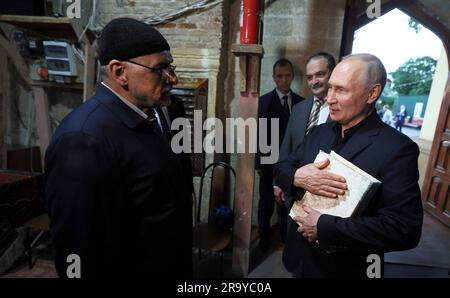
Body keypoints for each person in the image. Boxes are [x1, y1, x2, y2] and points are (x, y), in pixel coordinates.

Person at [45, 18, 193, 278]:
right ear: (119, 72)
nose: (173, 78)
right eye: (160, 69)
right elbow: (75, 248)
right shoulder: (83, 139)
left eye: (171, 67)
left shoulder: (151, 115)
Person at [274, 53, 423, 278]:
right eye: (331, 88)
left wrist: (324, 227)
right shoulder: (318, 132)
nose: (330, 98)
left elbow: (403, 229)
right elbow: (281, 167)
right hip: (299, 259)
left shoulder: (397, 149)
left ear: (372, 93)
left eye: (341, 90)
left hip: (342, 269)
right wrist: (297, 176)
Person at [275, 52, 336, 228]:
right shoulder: (299, 108)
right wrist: (278, 183)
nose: (314, 81)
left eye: (320, 74)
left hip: (323, 194)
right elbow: (286, 146)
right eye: (309, 77)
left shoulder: (340, 111)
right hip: (294, 188)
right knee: (291, 236)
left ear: (332, 73)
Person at [256, 58, 304, 252]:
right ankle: (264, 238)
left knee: (288, 202)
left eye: (287, 76)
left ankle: (286, 236)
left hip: (292, 163)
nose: (284, 80)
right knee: (266, 202)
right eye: (280, 76)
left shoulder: (301, 103)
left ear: (292, 76)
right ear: (274, 77)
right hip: (269, 162)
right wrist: (259, 163)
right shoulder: (264, 102)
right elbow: (258, 134)